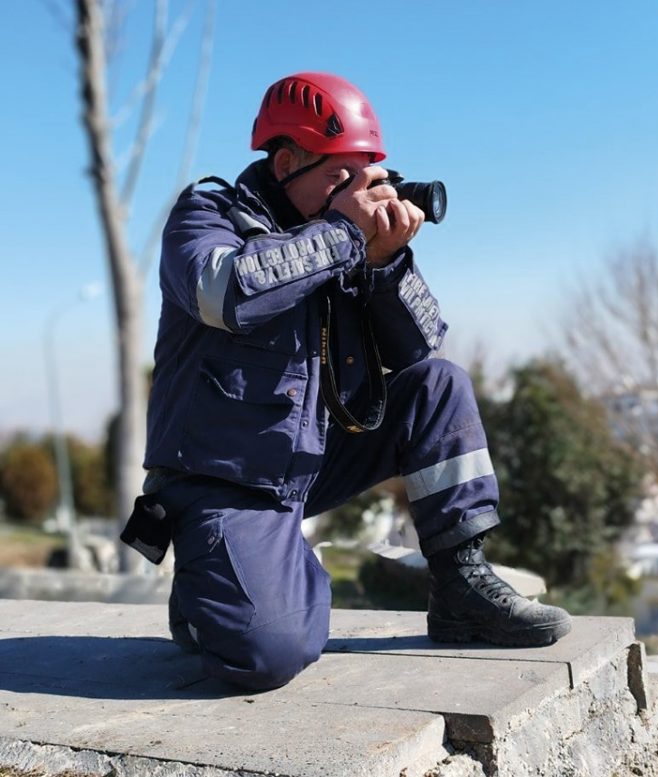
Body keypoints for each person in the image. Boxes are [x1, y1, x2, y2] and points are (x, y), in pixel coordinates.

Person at [125, 71, 572, 692]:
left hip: (310, 460)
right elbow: (222, 292)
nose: (361, 193)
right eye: (343, 175)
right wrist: (341, 232)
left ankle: (460, 585)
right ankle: (215, 592)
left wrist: (385, 261)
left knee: (438, 387)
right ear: (286, 163)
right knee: (270, 654)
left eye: (368, 174)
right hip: (220, 480)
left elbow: (419, 345)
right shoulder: (211, 214)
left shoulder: (346, 240)